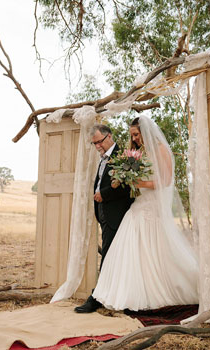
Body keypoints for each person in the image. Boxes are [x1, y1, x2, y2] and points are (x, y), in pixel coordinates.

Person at [92, 115, 199, 312]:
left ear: (145, 132)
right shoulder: (138, 153)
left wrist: (137, 183)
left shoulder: (161, 151)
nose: (134, 139)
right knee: (128, 244)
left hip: (153, 207)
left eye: (136, 134)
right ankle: (126, 292)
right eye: (132, 135)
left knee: (156, 250)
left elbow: (164, 182)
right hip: (139, 204)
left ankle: (174, 286)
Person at [74, 124, 134, 313]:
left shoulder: (123, 156)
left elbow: (127, 188)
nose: (97, 146)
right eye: (94, 143)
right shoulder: (103, 159)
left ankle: (97, 298)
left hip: (116, 213)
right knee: (112, 255)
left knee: (108, 256)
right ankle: (110, 295)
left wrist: (104, 195)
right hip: (103, 212)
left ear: (109, 136)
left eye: (99, 142)